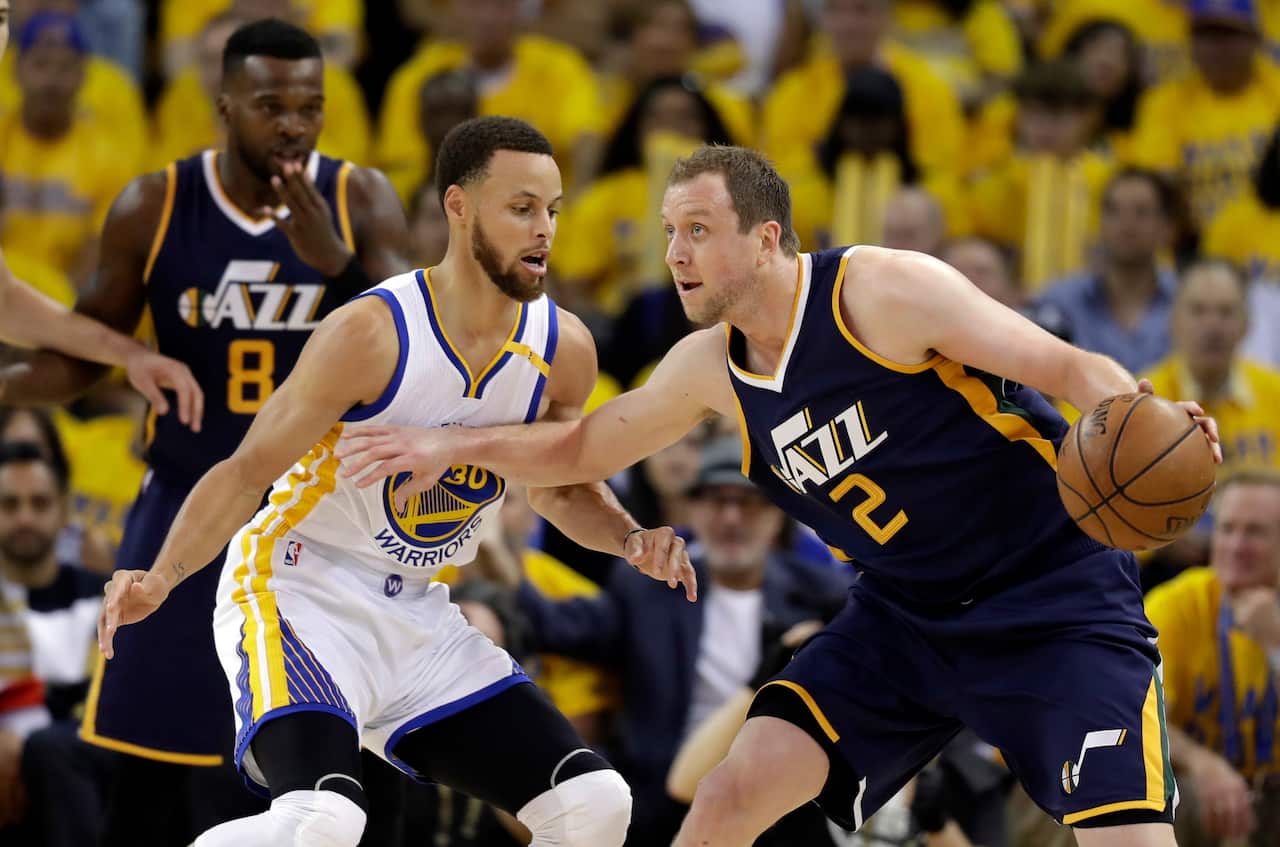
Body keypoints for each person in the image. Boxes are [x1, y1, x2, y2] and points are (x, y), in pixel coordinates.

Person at [337, 144, 1223, 847]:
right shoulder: (705, 368)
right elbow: (581, 446)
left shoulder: (881, 290)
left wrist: (1146, 416)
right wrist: (448, 444)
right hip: (906, 618)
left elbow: (1070, 367)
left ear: (766, 239)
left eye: (698, 229)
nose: (675, 253)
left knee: (1128, 837)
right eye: (669, 231)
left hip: (1053, 596)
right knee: (730, 792)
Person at [96, 116, 701, 847]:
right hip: (298, 592)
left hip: (417, 609)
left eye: (552, 209)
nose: (544, 228)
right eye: (521, 208)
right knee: (322, 821)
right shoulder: (372, 333)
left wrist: (630, 538)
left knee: (593, 802)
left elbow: (562, 486)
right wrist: (162, 576)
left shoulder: (563, 346)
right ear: (459, 207)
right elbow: (247, 469)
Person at [1, 16, 411, 845]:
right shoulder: (155, 203)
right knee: (146, 774)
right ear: (224, 107)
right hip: (187, 501)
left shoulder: (359, 198)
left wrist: (338, 266)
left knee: (340, 769)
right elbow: (84, 353)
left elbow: (415, 355)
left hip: (318, 516)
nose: (293, 124)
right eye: (271, 105)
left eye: (310, 106)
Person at [1144, 470, 1280, 847]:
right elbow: (1135, 717)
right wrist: (1202, 764)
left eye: (1255, 532)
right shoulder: (1177, 605)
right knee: (1151, 791)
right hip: (1203, 789)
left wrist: (1275, 646)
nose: (1236, 545)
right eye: (1227, 529)